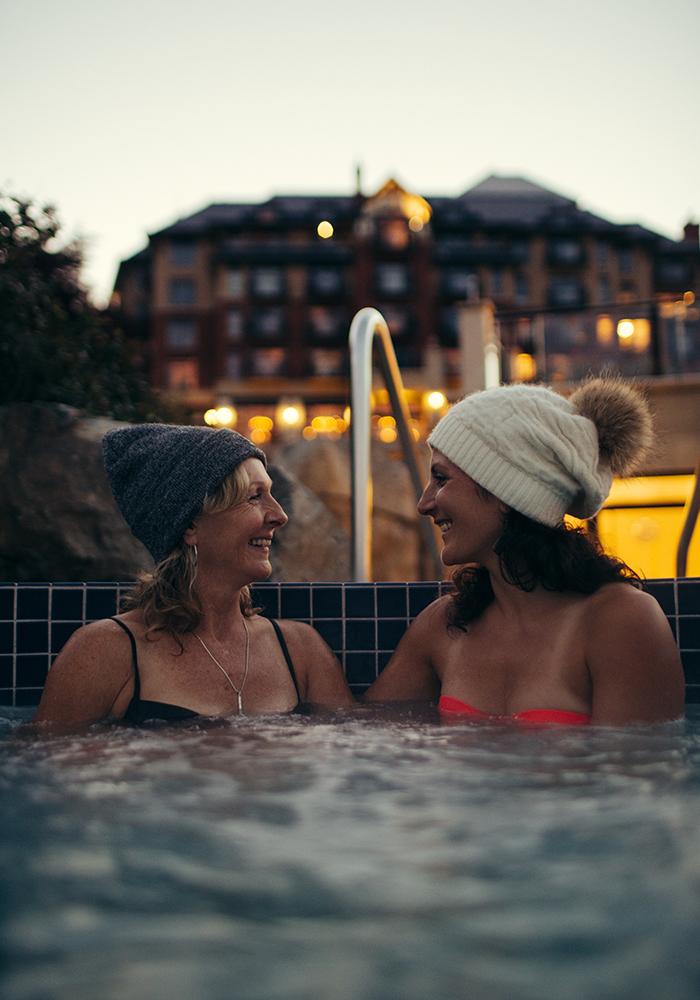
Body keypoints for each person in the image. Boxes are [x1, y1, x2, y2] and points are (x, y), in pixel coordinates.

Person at [366, 378, 685, 725]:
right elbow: (362, 740)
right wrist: (303, 648)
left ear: (506, 491)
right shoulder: (445, 625)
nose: (423, 504)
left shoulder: (620, 622)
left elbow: (641, 771)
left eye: (441, 479)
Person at [34, 424, 354, 725]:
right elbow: (51, 774)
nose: (279, 515)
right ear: (189, 526)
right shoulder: (104, 653)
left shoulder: (301, 651)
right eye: (254, 496)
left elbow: (360, 758)